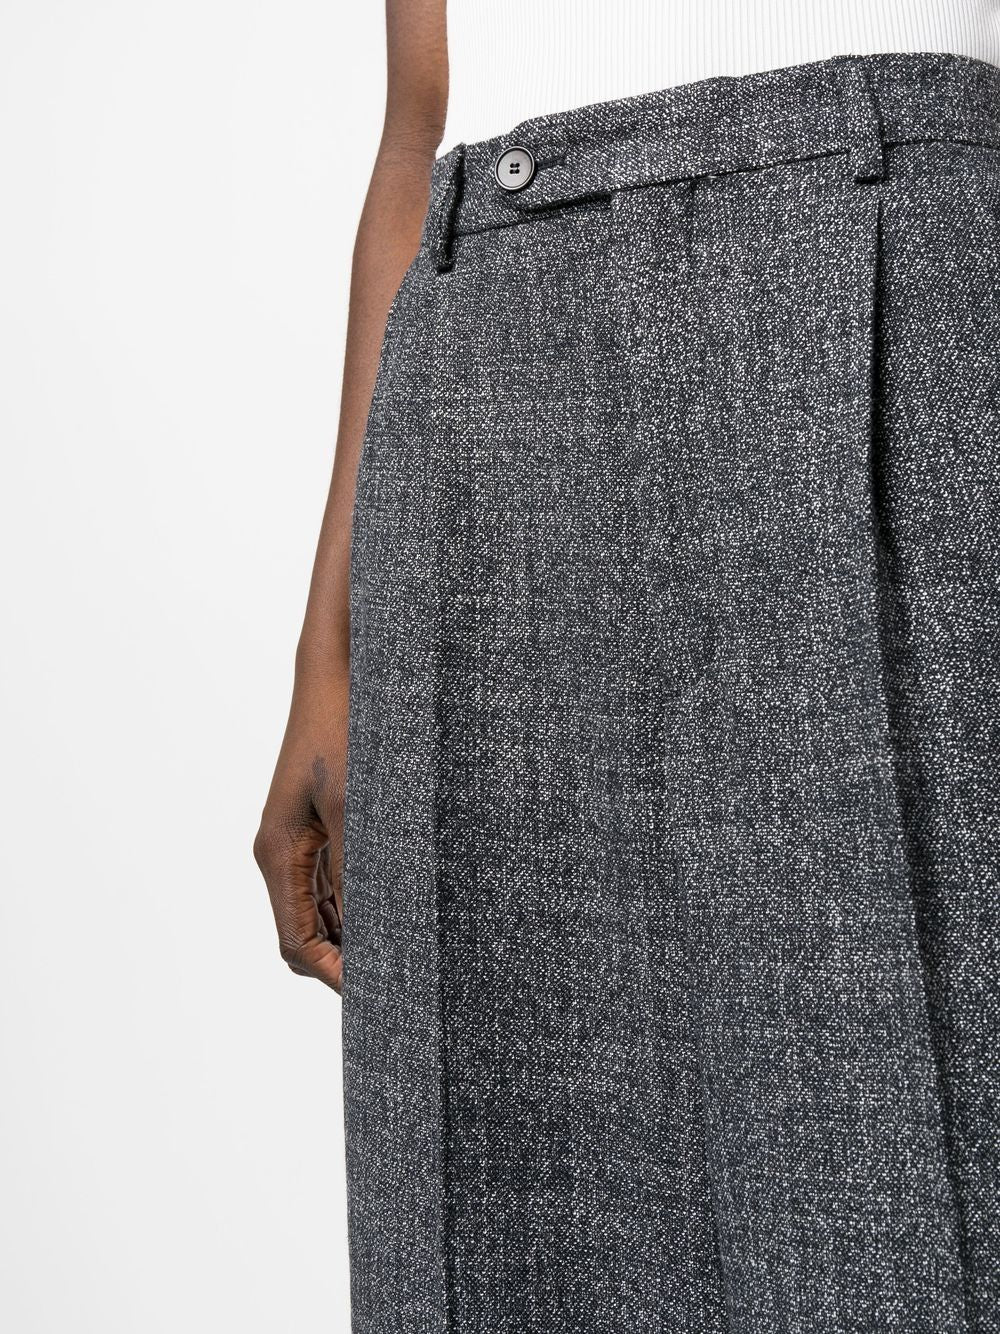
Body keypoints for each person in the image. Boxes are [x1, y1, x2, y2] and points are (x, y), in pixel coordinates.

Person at [255, 4, 1000, 1330]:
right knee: (508, 1223)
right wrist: (332, 647)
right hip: (485, 342)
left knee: (893, 1163)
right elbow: (417, 127)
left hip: (886, 265)